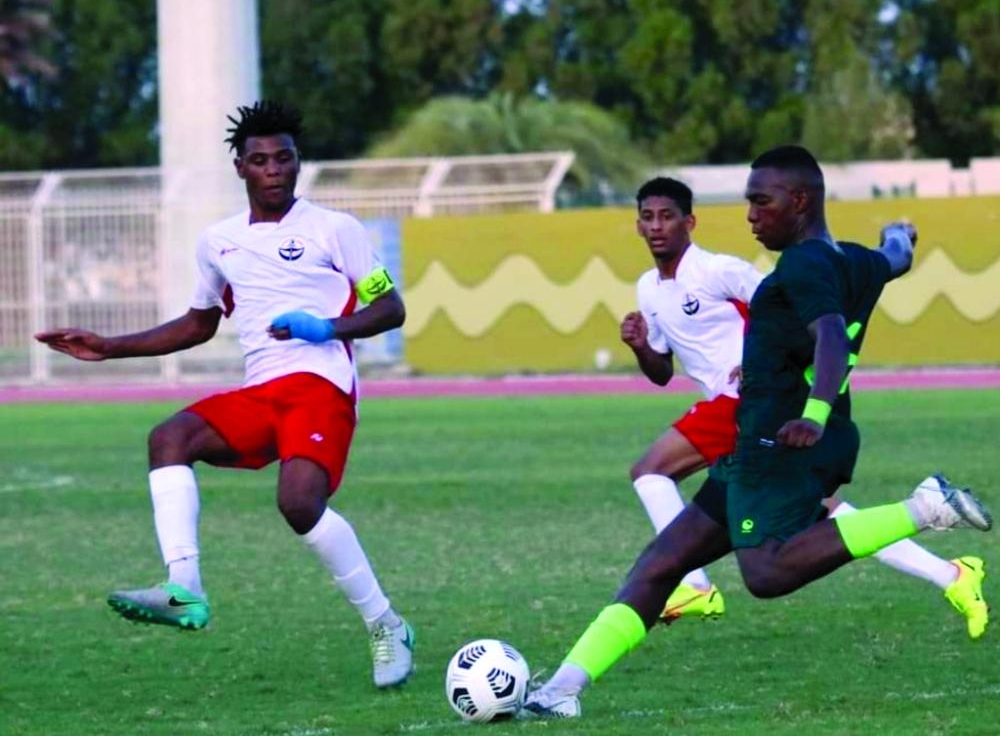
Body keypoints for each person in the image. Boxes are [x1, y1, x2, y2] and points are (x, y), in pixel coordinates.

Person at [523, 146, 992, 718]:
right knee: (661, 566)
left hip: (782, 444)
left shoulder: (800, 267)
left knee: (765, 572)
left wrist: (813, 413)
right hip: (761, 445)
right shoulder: (853, 261)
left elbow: (829, 335)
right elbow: (896, 257)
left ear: (800, 201)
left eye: (761, 202)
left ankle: (925, 508)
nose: (750, 215)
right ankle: (560, 692)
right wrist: (900, 235)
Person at [34, 101, 415, 689]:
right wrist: (108, 347)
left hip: (320, 387)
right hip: (260, 392)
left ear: (297, 162)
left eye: (284, 158)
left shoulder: (336, 229)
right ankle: (184, 587)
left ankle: (386, 624)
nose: (274, 170)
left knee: (299, 504)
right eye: (260, 160)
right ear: (240, 168)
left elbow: (390, 308)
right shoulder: (218, 242)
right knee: (169, 438)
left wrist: (326, 327)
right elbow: (197, 324)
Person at [625, 176, 988, 637]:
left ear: (689, 222)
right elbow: (661, 373)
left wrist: (759, 360)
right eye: (648, 217)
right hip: (739, 411)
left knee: (650, 469)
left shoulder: (717, 271)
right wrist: (641, 347)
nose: (657, 226)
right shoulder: (648, 289)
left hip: (748, 401)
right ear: (638, 225)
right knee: (824, 512)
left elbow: (782, 304)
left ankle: (694, 584)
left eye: (667, 216)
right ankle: (951, 575)